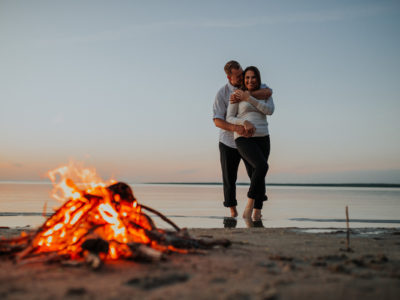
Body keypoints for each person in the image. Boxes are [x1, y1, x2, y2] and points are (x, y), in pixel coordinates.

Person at [213, 61, 272, 218]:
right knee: (229, 178)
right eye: (238, 76)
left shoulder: (250, 86)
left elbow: (268, 92)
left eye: (242, 73)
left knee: (257, 172)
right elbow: (217, 120)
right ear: (229, 77)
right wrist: (236, 127)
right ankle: (233, 213)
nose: (242, 78)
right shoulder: (223, 94)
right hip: (229, 141)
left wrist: (247, 96)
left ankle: (256, 210)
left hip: (250, 139)